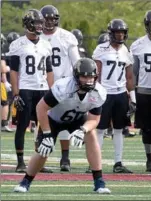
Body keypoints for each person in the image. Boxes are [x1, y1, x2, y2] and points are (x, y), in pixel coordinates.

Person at [13, 58, 110, 194]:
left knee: (91, 134)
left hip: (77, 119)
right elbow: (41, 108)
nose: (88, 80)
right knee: (44, 149)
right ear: (76, 76)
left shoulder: (99, 92)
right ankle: (25, 182)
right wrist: (47, 134)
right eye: (84, 76)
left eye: (91, 76)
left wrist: (83, 129)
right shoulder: (63, 87)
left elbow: (94, 119)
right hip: (53, 120)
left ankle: (99, 182)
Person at [8, 9, 54, 173]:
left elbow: (49, 70)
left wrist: (51, 91)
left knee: (43, 126)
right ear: (28, 24)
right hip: (26, 89)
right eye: (36, 23)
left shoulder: (46, 44)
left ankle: (38, 161)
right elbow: (13, 71)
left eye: (41, 23)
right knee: (22, 126)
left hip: (42, 89)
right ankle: (20, 162)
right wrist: (16, 93)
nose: (40, 26)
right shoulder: (17, 44)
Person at [40, 4, 82, 172]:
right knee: (42, 120)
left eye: (52, 19)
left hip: (64, 84)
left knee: (63, 119)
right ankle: (41, 157)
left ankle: (65, 158)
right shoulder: (37, 37)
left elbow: (76, 61)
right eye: (46, 19)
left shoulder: (66, 37)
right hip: (42, 83)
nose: (49, 22)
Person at [93, 19, 135, 173]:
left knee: (119, 129)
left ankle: (118, 162)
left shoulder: (126, 51)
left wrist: (133, 98)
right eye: (117, 32)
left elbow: (129, 77)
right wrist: (94, 94)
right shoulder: (101, 49)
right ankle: (95, 162)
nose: (120, 35)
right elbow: (95, 74)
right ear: (111, 33)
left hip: (120, 94)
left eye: (122, 32)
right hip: (104, 93)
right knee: (100, 129)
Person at [130, 9, 151, 172]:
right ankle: (149, 159)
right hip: (144, 91)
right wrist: (132, 93)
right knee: (147, 128)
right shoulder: (137, 45)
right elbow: (134, 71)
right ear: (146, 25)